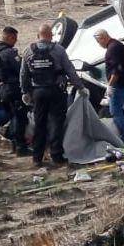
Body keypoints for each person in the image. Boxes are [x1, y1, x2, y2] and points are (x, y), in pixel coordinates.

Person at [19, 22, 87, 166]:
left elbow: (23, 75)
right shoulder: (58, 50)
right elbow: (70, 70)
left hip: (38, 92)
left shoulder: (28, 51)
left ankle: (37, 157)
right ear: (51, 35)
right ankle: (57, 156)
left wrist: (25, 92)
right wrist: (80, 87)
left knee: (39, 124)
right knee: (56, 123)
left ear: (38, 36)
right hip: (56, 91)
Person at [0, 26, 30, 155]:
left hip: (2, 88)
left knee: (13, 117)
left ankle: (13, 145)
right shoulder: (8, 52)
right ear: (10, 37)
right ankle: (20, 148)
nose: (16, 41)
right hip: (13, 88)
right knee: (20, 118)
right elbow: (21, 69)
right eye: (15, 39)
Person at [94, 29, 124, 143]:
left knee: (115, 112)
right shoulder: (118, 45)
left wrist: (109, 86)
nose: (99, 45)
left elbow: (116, 72)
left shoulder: (112, 50)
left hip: (120, 87)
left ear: (102, 38)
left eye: (98, 42)